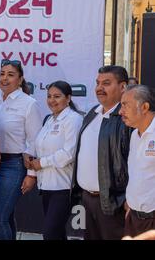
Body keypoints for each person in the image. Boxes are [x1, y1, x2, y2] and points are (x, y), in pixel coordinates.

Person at [71, 65, 131, 240]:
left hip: (114, 203)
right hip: (87, 200)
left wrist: (127, 199)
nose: (99, 88)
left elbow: (136, 161)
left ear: (123, 87)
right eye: (98, 83)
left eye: (106, 83)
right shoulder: (92, 113)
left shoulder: (127, 118)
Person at [0, 59, 42, 240]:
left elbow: (35, 141)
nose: (4, 78)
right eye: (2, 74)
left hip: (14, 165)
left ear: (20, 79)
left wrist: (31, 175)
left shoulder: (28, 104)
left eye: (10, 75)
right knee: (6, 216)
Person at [27, 81, 83, 240]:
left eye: (57, 96)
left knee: (50, 233)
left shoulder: (73, 119)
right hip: (46, 185)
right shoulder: (49, 120)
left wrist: (41, 163)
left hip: (63, 187)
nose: (52, 100)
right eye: (49, 96)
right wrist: (31, 165)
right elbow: (38, 147)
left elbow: (68, 154)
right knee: (57, 234)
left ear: (68, 98)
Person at [119, 85, 155, 237]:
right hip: (134, 218)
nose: (120, 111)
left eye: (125, 105)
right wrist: (130, 202)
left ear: (145, 107)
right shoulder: (134, 135)